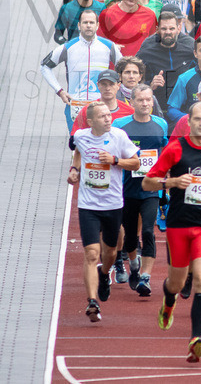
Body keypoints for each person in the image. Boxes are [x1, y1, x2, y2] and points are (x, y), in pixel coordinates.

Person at [141, 102, 201, 363]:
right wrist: (170, 182)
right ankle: (169, 300)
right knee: (177, 283)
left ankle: (195, 339)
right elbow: (148, 181)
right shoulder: (176, 149)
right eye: (197, 119)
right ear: (189, 122)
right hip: (179, 224)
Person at [67, 102, 141, 322]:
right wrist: (74, 170)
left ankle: (103, 273)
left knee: (108, 254)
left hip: (112, 205)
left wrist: (115, 160)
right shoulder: (80, 135)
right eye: (102, 116)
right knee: (91, 253)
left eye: (109, 115)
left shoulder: (119, 137)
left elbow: (136, 164)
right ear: (91, 121)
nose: (108, 119)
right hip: (88, 205)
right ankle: (92, 302)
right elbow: (78, 152)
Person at [112, 84, 167, 297]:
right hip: (126, 188)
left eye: (148, 99)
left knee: (148, 231)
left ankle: (145, 277)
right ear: (132, 102)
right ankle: (134, 264)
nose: (145, 103)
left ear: (153, 101)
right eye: (141, 100)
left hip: (151, 189)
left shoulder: (161, 124)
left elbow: (166, 153)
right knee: (131, 237)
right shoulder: (121, 125)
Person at [42, 8, 122, 132]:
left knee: (102, 143)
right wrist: (60, 91)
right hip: (76, 106)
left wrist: (117, 89)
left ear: (97, 25)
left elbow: (124, 68)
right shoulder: (68, 47)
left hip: (101, 106)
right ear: (79, 26)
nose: (88, 26)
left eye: (91, 22)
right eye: (85, 23)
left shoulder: (109, 46)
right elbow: (45, 66)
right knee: (77, 145)